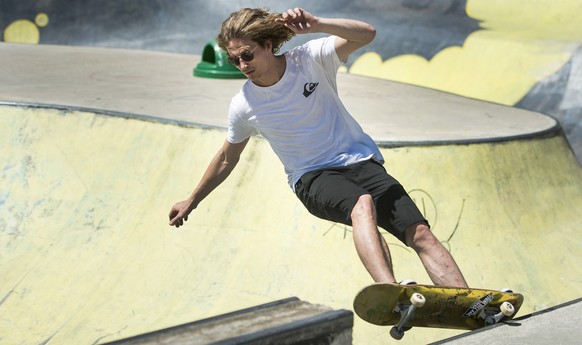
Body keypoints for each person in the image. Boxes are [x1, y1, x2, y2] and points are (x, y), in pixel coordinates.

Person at [168, 7, 467, 287]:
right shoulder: (244, 105)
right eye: (235, 60)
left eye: (247, 55)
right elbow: (225, 158)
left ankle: (471, 304)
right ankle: (389, 291)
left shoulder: (310, 59)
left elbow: (367, 33)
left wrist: (318, 25)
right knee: (362, 204)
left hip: (362, 162)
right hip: (312, 177)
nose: (243, 66)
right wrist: (192, 200)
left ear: (269, 45)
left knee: (420, 233)